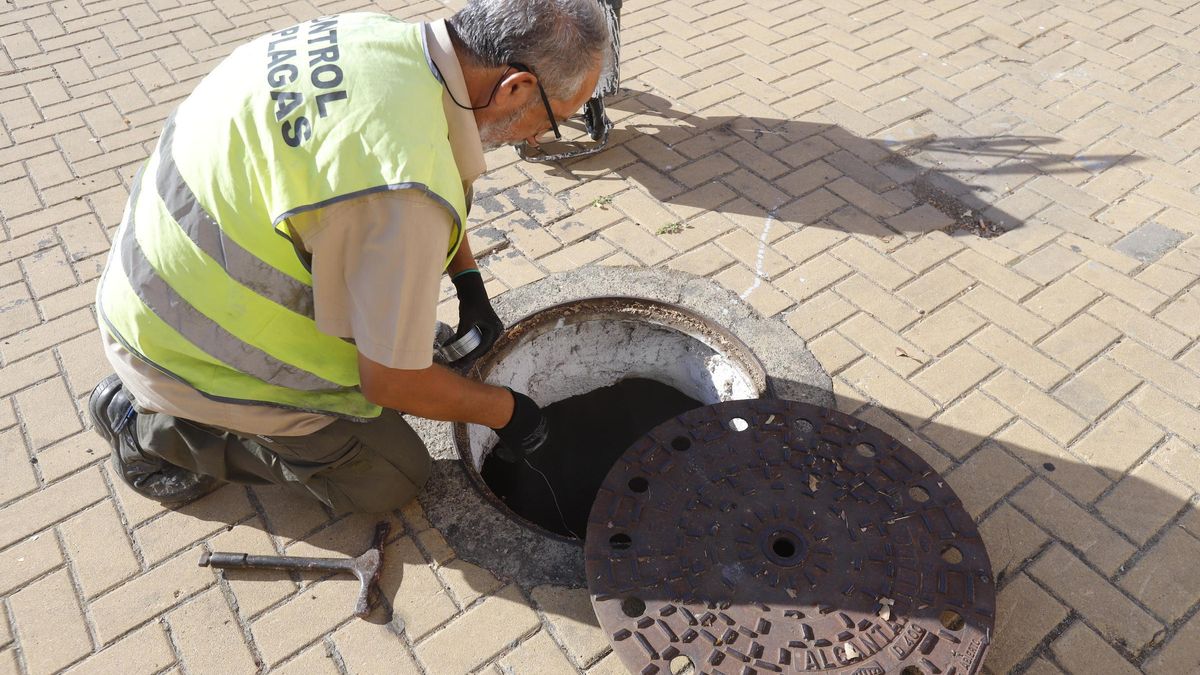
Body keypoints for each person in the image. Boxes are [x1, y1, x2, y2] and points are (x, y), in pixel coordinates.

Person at [87, 0, 608, 513]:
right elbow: (391, 381)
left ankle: (164, 392)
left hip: (158, 282)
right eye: (554, 120)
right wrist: (512, 414)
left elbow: (437, 168)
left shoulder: (387, 44)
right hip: (192, 347)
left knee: (402, 344)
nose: (538, 140)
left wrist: (468, 281)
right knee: (390, 478)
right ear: (514, 87)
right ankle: (152, 427)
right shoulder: (401, 193)